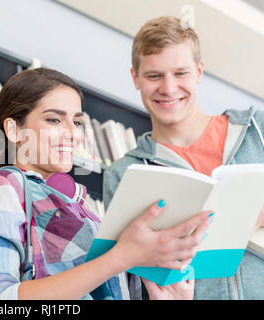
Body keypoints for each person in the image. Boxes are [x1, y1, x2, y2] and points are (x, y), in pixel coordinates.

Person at [0, 67, 212, 300]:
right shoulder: (4, 188)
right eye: (54, 120)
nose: (72, 133)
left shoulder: (83, 208)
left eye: (77, 121)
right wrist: (121, 257)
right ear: (13, 130)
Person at [103, 16, 264, 300]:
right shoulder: (124, 174)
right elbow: (133, 284)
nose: (169, 88)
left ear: (199, 71)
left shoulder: (258, 130)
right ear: (135, 78)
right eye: (154, 76)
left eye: (180, 73)